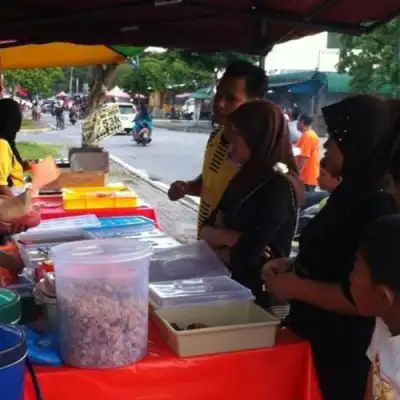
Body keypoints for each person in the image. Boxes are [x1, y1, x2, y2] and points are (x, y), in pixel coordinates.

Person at [263, 95, 400, 400]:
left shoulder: (378, 206)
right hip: (315, 336)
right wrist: (294, 264)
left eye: (335, 139)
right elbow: (332, 255)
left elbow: (363, 297)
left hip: (343, 350)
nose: (325, 146)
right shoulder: (348, 192)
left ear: (359, 145)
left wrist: (297, 287)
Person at [199, 100, 302, 306]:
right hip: (229, 288)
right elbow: (205, 229)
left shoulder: (278, 185)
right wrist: (228, 237)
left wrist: (220, 242)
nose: (231, 144)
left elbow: (248, 255)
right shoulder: (244, 176)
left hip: (255, 299)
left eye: (237, 137)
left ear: (257, 138)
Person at [168, 60, 268, 232]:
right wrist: (186, 187)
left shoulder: (260, 150)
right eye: (218, 94)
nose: (219, 103)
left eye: (231, 98)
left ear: (256, 103)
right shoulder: (216, 135)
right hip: (207, 245)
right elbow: (210, 181)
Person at [350, 215, 400, 400]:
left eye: (356, 269)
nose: (350, 278)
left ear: (383, 295)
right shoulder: (385, 321)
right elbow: (372, 390)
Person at [0, 99, 29, 197]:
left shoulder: (8, 143)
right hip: (11, 196)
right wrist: (18, 204)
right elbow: (1, 185)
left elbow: (8, 170)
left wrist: (26, 166)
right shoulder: (2, 144)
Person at [295, 114, 320, 192]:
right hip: (307, 178)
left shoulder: (307, 136)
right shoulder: (308, 135)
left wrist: (297, 174)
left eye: (298, 122)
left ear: (302, 122)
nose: (296, 124)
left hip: (307, 178)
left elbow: (304, 157)